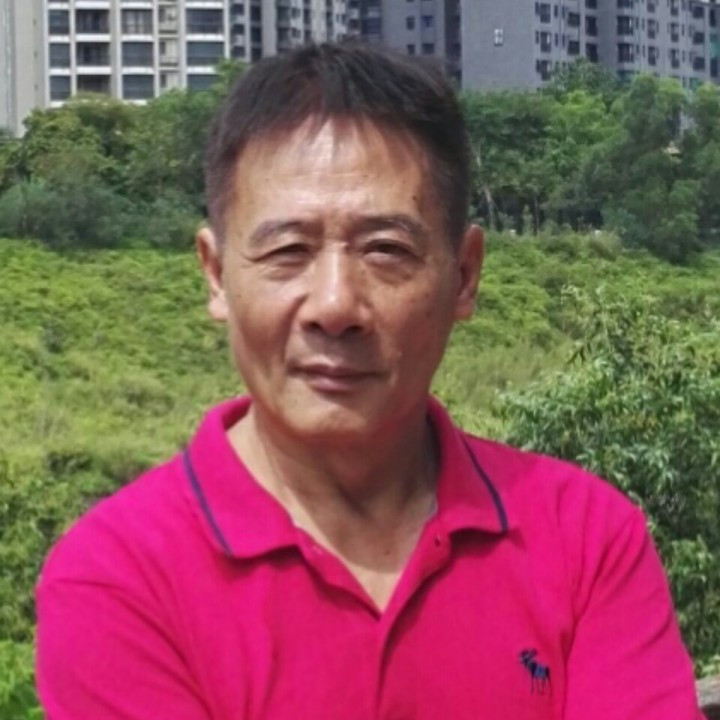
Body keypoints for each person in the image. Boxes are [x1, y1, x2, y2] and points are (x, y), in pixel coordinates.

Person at [36, 43, 703, 719]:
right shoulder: (118, 579)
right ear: (216, 275)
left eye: (386, 250)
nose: (335, 306)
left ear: (464, 275)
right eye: (288, 250)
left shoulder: (584, 540)